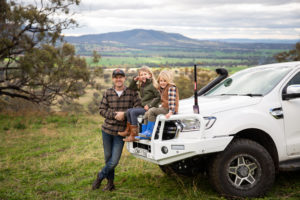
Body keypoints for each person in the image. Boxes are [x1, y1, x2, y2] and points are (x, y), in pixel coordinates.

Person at [92, 69, 141, 191]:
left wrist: (124, 114)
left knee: (114, 161)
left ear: (124, 78)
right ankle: (110, 184)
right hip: (107, 130)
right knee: (108, 158)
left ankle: (100, 176)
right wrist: (114, 115)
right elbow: (101, 110)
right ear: (113, 79)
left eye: (121, 77)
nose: (118, 79)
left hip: (122, 132)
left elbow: (139, 108)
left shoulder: (131, 93)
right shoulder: (108, 93)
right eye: (116, 77)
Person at [118, 66, 160, 142]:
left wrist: (150, 105)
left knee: (133, 112)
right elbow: (131, 88)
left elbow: (158, 97)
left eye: (145, 74)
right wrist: (134, 80)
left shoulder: (152, 85)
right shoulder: (142, 85)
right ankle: (128, 131)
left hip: (151, 108)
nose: (143, 76)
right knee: (128, 111)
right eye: (141, 75)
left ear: (150, 75)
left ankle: (134, 135)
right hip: (144, 107)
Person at [137, 69, 179, 140]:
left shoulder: (171, 87)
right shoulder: (162, 88)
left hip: (168, 109)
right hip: (163, 108)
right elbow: (153, 85)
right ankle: (144, 133)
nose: (162, 83)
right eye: (161, 81)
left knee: (152, 111)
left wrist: (171, 112)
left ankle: (150, 132)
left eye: (164, 81)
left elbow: (172, 101)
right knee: (147, 114)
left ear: (168, 81)